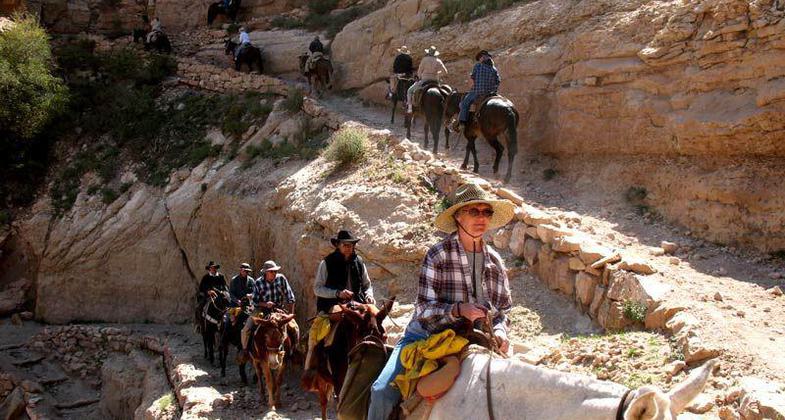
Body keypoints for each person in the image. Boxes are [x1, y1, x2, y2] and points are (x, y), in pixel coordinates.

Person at [367, 183, 515, 420]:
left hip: (474, 339)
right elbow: (424, 308)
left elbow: (503, 311)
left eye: (486, 212)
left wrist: (500, 331)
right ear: (458, 216)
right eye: (473, 211)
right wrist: (457, 310)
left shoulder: (495, 262)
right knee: (382, 392)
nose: (481, 218)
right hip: (426, 336)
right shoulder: (438, 255)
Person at [241, 260, 296, 355]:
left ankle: (294, 350)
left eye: (275, 271)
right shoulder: (258, 282)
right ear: (265, 272)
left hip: (278, 309)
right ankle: (245, 351)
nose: (274, 273)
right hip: (261, 310)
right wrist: (266, 304)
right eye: (271, 271)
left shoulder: (281, 279)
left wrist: (290, 313)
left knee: (294, 327)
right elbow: (255, 301)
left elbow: (290, 296)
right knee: (246, 329)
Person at [313, 230, 375, 312]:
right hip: (333, 304)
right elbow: (317, 289)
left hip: (357, 303)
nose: (348, 247)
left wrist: (369, 296)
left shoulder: (359, 262)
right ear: (338, 245)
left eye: (351, 245)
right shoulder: (327, 263)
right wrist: (337, 293)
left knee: (375, 317)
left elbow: (367, 285)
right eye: (345, 245)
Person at [454, 49, 501, 133]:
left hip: (478, 92)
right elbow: (498, 81)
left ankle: (462, 123)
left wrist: (472, 87)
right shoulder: (494, 69)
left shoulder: (478, 66)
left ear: (482, 58)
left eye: (480, 58)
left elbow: (472, 79)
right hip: (490, 93)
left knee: (464, 103)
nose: (479, 59)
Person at [407, 46, 448, 114]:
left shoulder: (424, 59)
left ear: (428, 52)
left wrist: (420, 77)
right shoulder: (438, 60)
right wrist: (437, 74)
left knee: (410, 90)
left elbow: (419, 71)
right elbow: (445, 72)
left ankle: (410, 108)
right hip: (435, 81)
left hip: (425, 80)